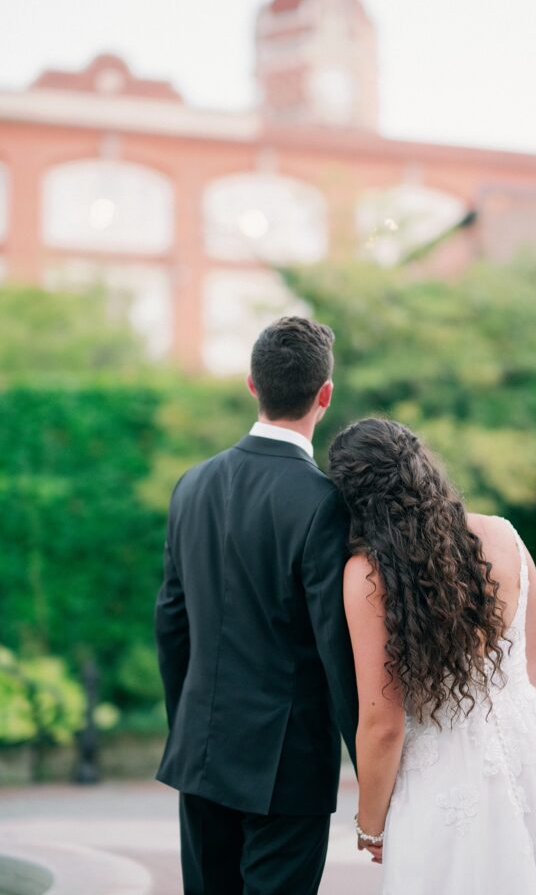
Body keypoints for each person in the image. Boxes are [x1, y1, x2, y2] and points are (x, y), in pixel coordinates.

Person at [329, 417, 536, 894]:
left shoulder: (368, 575)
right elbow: (534, 667)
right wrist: (509, 747)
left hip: (442, 776)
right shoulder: (505, 536)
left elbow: (383, 723)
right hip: (534, 757)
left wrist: (371, 824)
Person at [155, 316, 358, 895]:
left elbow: (171, 622)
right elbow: (336, 650)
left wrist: (188, 728)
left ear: (252, 384)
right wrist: (374, 777)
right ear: (325, 395)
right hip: (286, 770)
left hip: (200, 753)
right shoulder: (323, 503)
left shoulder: (190, 485)